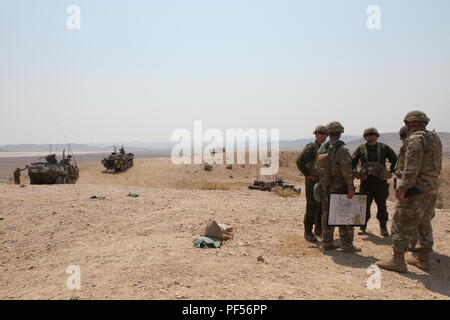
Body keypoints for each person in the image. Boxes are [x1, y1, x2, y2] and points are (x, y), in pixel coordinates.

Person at [377, 111, 442, 272]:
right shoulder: (434, 138)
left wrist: (403, 189)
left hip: (415, 190)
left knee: (400, 222)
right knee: (424, 222)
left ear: (409, 124)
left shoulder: (414, 140)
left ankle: (398, 261)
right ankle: (423, 260)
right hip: (431, 188)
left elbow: (411, 169)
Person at [315, 121, 360, 253]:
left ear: (328, 133)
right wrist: (351, 188)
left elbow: (317, 167)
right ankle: (347, 245)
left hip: (325, 187)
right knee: (345, 216)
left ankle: (327, 242)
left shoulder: (322, 147)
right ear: (340, 133)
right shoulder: (342, 149)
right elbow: (347, 171)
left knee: (327, 214)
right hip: (339, 188)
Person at [352, 127, 397, 236]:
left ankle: (383, 227)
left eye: (372, 134)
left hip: (380, 182)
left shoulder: (384, 148)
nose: (369, 136)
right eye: (367, 135)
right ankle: (362, 227)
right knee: (363, 206)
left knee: (382, 206)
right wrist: (356, 173)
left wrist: (390, 172)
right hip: (366, 183)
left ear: (376, 135)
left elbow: (395, 161)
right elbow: (351, 162)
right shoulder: (361, 149)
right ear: (364, 137)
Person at [296, 125, 328, 242]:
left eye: (325, 134)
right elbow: (300, 162)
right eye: (321, 133)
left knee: (321, 206)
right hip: (312, 182)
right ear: (316, 134)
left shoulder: (327, 147)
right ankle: (308, 231)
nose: (323, 135)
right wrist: (308, 175)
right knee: (312, 206)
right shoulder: (311, 147)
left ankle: (318, 229)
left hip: (323, 181)